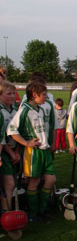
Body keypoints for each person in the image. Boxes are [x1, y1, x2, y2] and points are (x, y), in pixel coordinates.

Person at [8, 82, 56, 222]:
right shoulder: (24, 110)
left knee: (50, 179)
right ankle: (34, 213)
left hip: (45, 150)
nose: (46, 97)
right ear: (34, 95)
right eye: (44, 95)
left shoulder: (40, 109)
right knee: (33, 182)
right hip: (33, 152)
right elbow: (12, 130)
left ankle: (42, 209)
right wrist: (27, 142)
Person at [0, 81, 17, 213]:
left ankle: (7, 212)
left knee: (11, 184)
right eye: (9, 93)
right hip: (4, 153)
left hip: (13, 151)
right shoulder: (1, 111)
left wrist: (16, 151)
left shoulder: (15, 110)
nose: (12, 96)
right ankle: (6, 211)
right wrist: (11, 153)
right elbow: (2, 138)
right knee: (9, 184)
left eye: (13, 93)